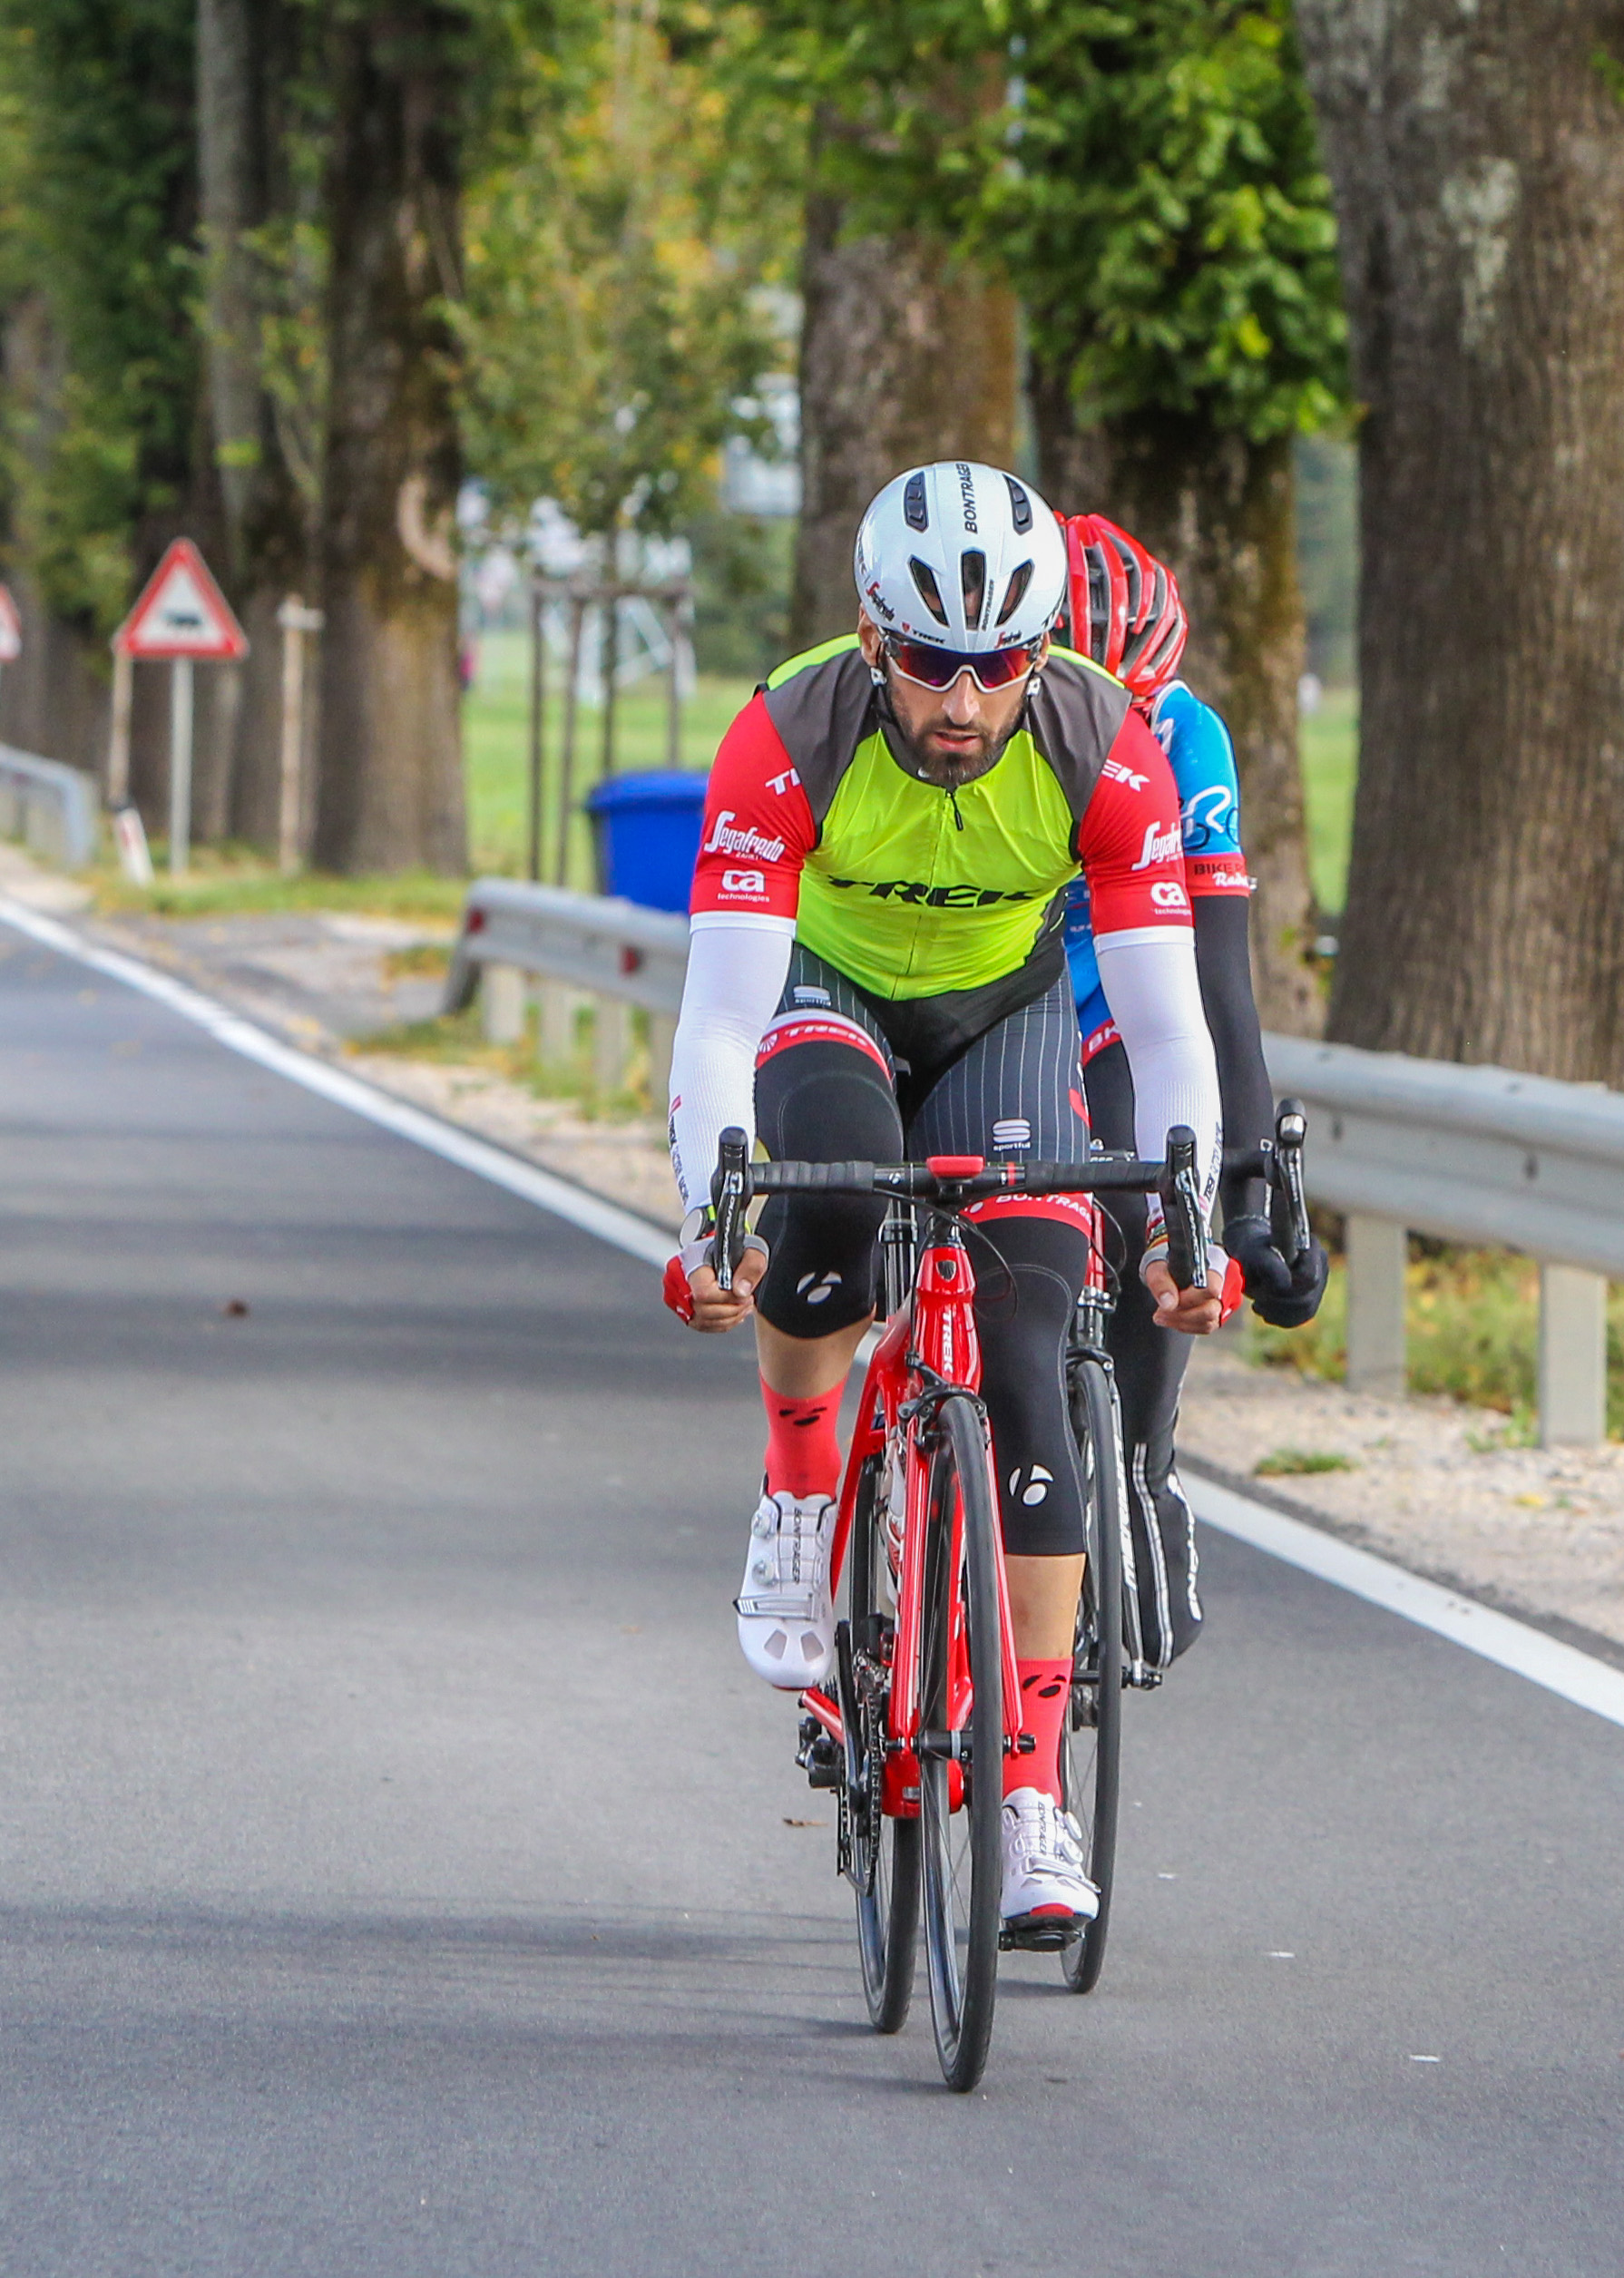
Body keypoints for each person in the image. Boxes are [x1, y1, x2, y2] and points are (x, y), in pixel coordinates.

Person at [662, 460, 1223, 1940]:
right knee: (829, 1212)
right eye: (928, 663)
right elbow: (717, 1020)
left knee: (1033, 1358)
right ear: (871, 641)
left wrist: (1183, 1220)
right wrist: (716, 1218)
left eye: (997, 667)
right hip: (824, 995)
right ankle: (798, 1496)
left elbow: (1169, 1035)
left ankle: (1028, 1800)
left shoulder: (1105, 746)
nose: (963, 701)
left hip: (1005, 1024)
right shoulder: (790, 733)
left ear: (1040, 658)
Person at [1052, 516, 1329, 1669]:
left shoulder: (1187, 735)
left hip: (1126, 992)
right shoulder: (965, 727)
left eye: (1134, 704)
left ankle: (1136, 1459)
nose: (1112, 732)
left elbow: (1221, 988)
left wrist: (1256, 1200)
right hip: (987, 987)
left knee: (1153, 1193)